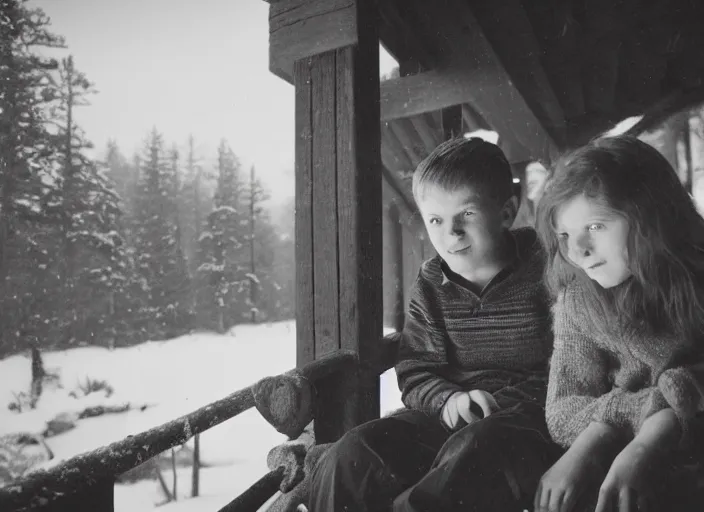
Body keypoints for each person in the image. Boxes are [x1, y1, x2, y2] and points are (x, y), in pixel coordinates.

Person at [308, 137, 557, 512]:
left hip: (525, 423)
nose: (451, 233)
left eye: (467, 215)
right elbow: (417, 368)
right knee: (353, 454)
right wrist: (447, 400)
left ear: (506, 213)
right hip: (450, 416)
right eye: (436, 220)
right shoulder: (431, 284)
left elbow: (572, 360)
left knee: (472, 450)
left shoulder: (545, 268)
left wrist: (503, 402)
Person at [533, 135, 704, 512]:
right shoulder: (577, 299)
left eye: (594, 227)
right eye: (564, 235)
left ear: (648, 215)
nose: (577, 252)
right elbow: (562, 409)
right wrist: (605, 429)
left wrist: (654, 435)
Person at [513, 161, 552, 229]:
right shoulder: (522, 217)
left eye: (537, 171)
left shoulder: (554, 216)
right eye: (528, 172)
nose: (530, 175)